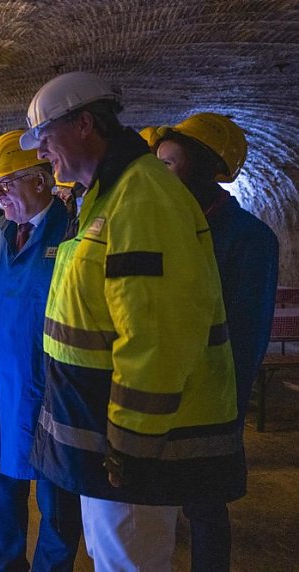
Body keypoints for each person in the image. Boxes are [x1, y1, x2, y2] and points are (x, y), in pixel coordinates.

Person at [19, 71, 244, 570]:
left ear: (84, 124)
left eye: (45, 136)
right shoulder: (107, 194)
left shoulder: (142, 196)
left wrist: (131, 445)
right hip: (102, 434)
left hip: (129, 446)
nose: (41, 152)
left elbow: (156, 336)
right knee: (112, 555)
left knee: (130, 559)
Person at [151, 112, 279, 572]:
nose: (157, 175)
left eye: (168, 164)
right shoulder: (164, 226)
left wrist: (229, 406)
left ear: (205, 167)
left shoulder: (250, 239)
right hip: (161, 388)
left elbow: (247, 335)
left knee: (205, 505)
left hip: (212, 397)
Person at [0, 130, 82, 571]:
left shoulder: (73, 233)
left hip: (52, 391)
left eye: (6, 184)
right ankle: (6, 564)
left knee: (57, 503)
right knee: (3, 497)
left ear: (41, 181)